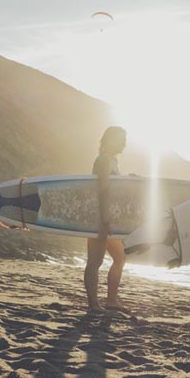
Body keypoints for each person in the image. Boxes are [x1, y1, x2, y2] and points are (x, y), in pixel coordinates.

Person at [84, 126, 129, 314]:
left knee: (120, 257)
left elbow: (114, 187)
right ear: (112, 140)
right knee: (95, 261)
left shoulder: (112, 160)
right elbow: (102, 189)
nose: (125, 144)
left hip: (107, 216)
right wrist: (104, 219)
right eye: (122, 139)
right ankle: (94, 304)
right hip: (100, 216)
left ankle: (111, 300)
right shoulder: (103, 160)